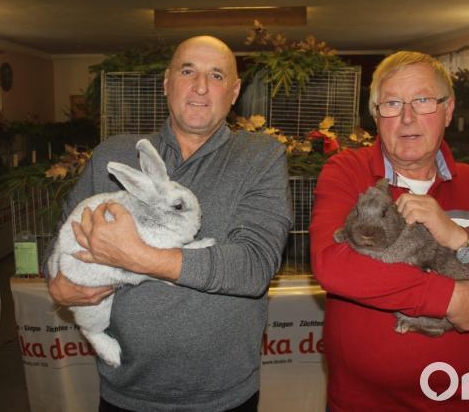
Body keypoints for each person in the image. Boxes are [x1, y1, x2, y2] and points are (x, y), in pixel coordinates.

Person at [47, 35, 292, 411]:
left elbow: (254, 265)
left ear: (235, 91)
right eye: (187, 71)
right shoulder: (114, 153)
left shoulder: (260, 157)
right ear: (166, 82)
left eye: (216, 75)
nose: (199, 87)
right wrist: (58, 285)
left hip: (222, 395)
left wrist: (138, 256)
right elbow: (61, 236)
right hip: (126, 389)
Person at [309, 51, 469, 411]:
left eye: (422, 100)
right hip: (364, 403)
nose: (407, 117)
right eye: (391, 103)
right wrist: (451, 298)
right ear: (376, 116)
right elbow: (332, 264)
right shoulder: (348, 173)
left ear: (448, 109)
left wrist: (460, 239)